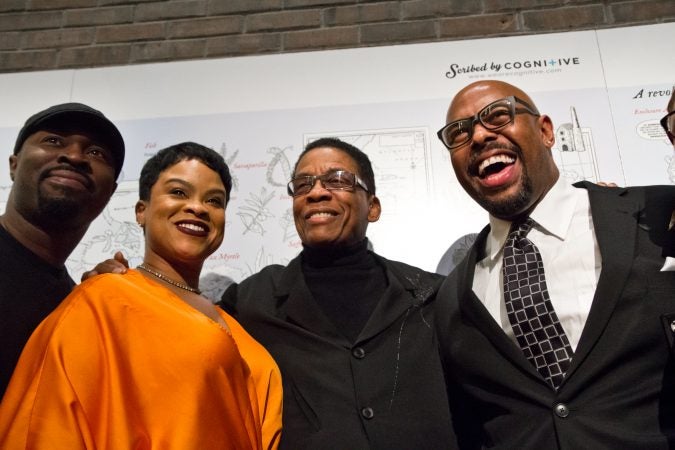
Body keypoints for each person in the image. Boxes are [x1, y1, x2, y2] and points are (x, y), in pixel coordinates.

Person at [435, 80, 675, 448]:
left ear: (546, 131)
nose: (480, 136)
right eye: (459, 133)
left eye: (498, 115)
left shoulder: (658, 214)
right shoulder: (452, 296)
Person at [0, 142, 282, 449]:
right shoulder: (103, 300)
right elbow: (46, 423)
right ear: (141, 211)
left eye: (214, 201)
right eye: (178, 192)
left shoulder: (232, 320)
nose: (198, 207)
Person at [219, 138, 455, 449]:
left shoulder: (432, 296)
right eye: (303, 184)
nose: (316, 192)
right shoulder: (252, 301)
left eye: (337, 180)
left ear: (372, 207)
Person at [0, 103, 124, 397]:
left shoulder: (76, 307)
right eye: (53, 141)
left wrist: (99, 303)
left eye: (97, 153)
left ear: (110, 192)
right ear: (14, 164)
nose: (74, 156)